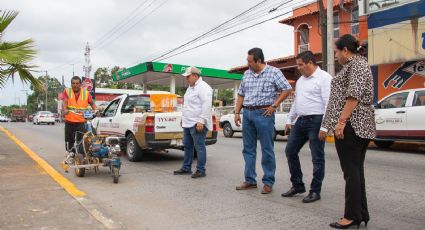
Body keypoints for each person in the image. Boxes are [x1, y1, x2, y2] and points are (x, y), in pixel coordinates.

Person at [320, 34, 375, 229]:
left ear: (345, 50)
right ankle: (360, 214)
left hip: (353, 125)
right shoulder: (353, 66)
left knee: (351, 172)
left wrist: (341, 122)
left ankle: (351, 216)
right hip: (355, 124)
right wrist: (328, 124)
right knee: (355, 171)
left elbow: (353, 96)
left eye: (336, 51)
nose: (335, 56)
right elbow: (337, 100)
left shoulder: (357, 64)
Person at [234, 48, 292, 194]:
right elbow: (241, 94)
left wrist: (274, 105)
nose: (247, 64)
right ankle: (250, 180)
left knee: (267, 149)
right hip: (247, 113)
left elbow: (287, 89)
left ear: (258, 61)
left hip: (264, 113)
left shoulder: (274, 72)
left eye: (249, 61)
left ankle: (268, 182)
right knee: (248, 149)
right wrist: (236, 112)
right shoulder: (247, 74)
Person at [281, 51, 331, 203]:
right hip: (301, 121)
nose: (299, 68)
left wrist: (325, 126)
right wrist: (290, 119)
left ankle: (315, 191)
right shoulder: (301, 80)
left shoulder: (324, 78)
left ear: (310, 62)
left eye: (301, 64)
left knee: (317, 157)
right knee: (290, 151)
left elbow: (329, 103)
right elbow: (297, 102)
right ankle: (298, 185)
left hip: (317, 120)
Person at [173, 66, 213, 179]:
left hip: (197, 123)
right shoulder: (190, 87)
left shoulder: (204, 87)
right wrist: (183, 118)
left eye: (188, 76)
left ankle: (201, 170)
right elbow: (188, 105)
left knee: (199, 147)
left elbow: (206, 105)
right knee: (187, 145)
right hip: (187, 122)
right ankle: (186, 168)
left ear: (195, 76)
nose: (187, 79)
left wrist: (201, 121)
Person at [62, 76, 96, 154]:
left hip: (81, 122)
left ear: (80, 84)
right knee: (69, 140)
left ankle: (81, 158)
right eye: (73, 83)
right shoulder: (67, 91)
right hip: (70, 121)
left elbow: (92, 104)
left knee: (81, 141)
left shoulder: (86, 93)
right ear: (71, 84)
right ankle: (70, 154)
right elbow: (65, 102)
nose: (75, 85)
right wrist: (65, 109)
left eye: (77, 83)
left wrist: (96, 110)